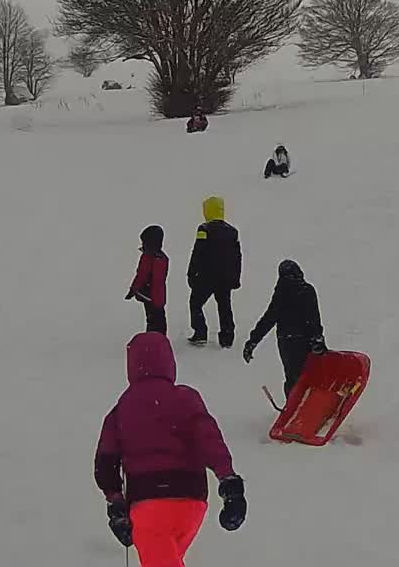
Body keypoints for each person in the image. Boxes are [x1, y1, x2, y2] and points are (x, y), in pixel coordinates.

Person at [94, 333, 248, 565]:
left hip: (147, 504)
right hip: (191, 501)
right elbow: (209, 439)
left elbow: (106, 462)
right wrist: (227, 479)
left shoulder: (122, 408)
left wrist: (115, 503)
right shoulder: (186, 399)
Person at [243, 260, 325, 397]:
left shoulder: (281, 293)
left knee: (293, 377)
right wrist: (317, 339)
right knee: (313, 374)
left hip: (287, 342)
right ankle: (316, 403)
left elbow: (268, 319)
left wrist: (252, 342)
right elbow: (313, 317)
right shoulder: (307, 290)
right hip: (306, 340)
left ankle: (293, 407)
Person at [187, 197, 241, 348]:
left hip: (206, 276)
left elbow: (198, 251)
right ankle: (227, 337)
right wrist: (235, 277)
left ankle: (200, 333)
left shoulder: (204, 229)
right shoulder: (232, 232)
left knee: (195, 303)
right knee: (225, 306)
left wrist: (191, 273)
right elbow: (237, 256)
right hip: (225, 278)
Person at [126, 225, 168, 334]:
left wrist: (136, 290)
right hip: (152, 297)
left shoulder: (154, 259)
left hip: (153, 297)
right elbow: (141, 275)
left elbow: (147, 277)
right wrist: (133, 289)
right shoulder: (156, 257)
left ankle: (156, 342)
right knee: (155, 320)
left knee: (155, 321)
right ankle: (156, 341)